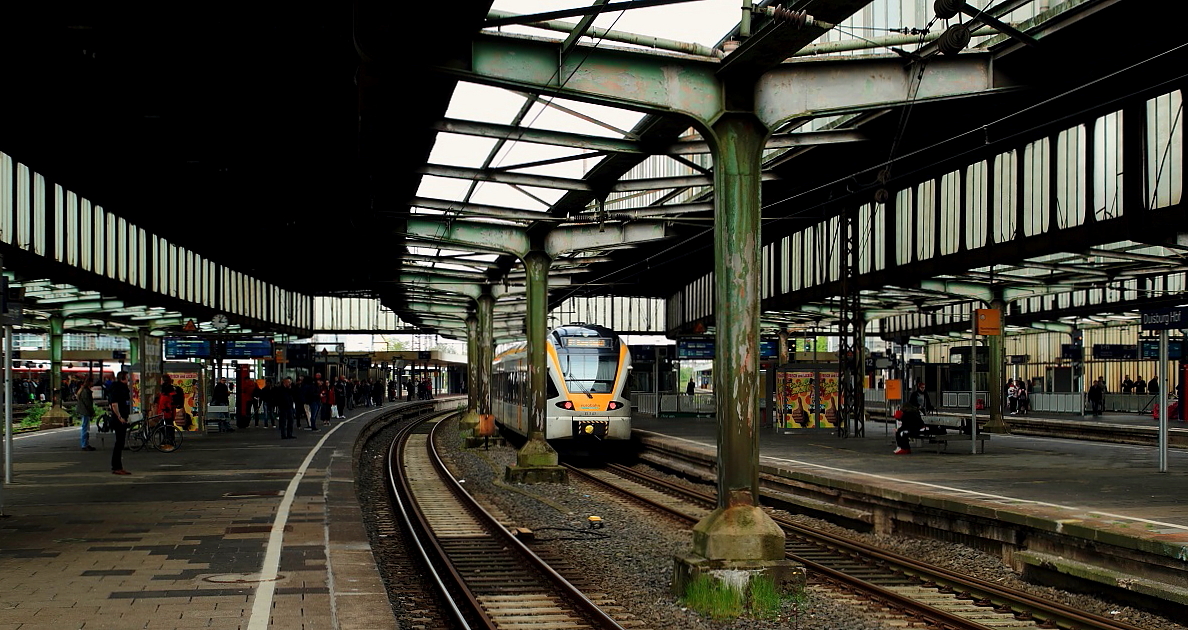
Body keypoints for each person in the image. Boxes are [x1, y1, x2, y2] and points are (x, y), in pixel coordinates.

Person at [108, 371, 132, 475]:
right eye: (127, 377)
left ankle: (117, 466)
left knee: (120, 442)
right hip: (119, 419)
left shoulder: (121, 388)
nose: (129, 379)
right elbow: (114, 404)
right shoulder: (118, 389)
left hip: (122, 417)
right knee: (119, 443)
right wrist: (119, 417)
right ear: (123, 378)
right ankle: (117, 466)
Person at [77, 376, 96, 451]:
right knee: (85, 428)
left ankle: (85, 443)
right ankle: (84, 444)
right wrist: (92, 412)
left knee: (85, 427)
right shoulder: (86, 391)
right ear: (89, 382)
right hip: (85, 411)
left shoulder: (83, 390)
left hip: (84, 411)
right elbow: (88, 403)